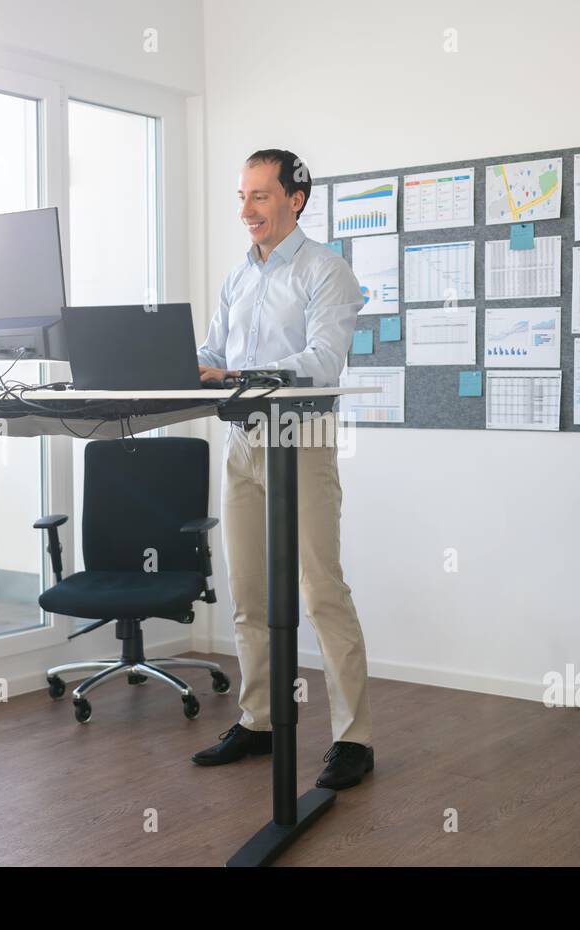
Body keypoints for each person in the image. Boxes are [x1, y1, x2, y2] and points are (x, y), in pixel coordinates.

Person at [191, 148, 373, 790]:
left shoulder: (326, 271)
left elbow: (323, 360)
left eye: (260, 196)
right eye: (241, 197)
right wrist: (188, 363)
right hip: (242, 442)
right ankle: (260, 719)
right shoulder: (238, 277)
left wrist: (234, 373)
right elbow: (213, 349)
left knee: (321, 589)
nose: (246, 210)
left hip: (301, 434)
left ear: (295, 198)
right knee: (248, 592)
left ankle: (353, 739)